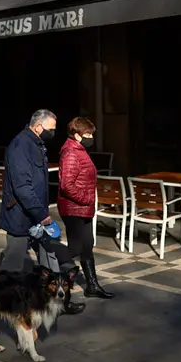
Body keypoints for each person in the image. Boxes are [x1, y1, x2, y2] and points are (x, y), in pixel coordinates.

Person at [0, 109, 86, 315]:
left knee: (52, 259)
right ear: (38, 127)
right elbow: (22, 187)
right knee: (13, 264)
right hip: (21, 216)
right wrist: (42, 214)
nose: (53, 133)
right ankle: (2, 304)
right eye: (51, 129)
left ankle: (58, 304)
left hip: (36, 217)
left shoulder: (36, 144)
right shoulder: (20, 146)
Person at [57, 117, 114, 299]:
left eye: (91, 133)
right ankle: (55, 285)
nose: (90, 137)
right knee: (74, 248)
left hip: (83, 207)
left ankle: (92, 286)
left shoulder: (79, 150)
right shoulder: (71, 153)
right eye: (87, 134)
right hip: (74, 208)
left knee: (87, 246)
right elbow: (67, 184)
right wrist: (86, 198)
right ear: (76, 135)